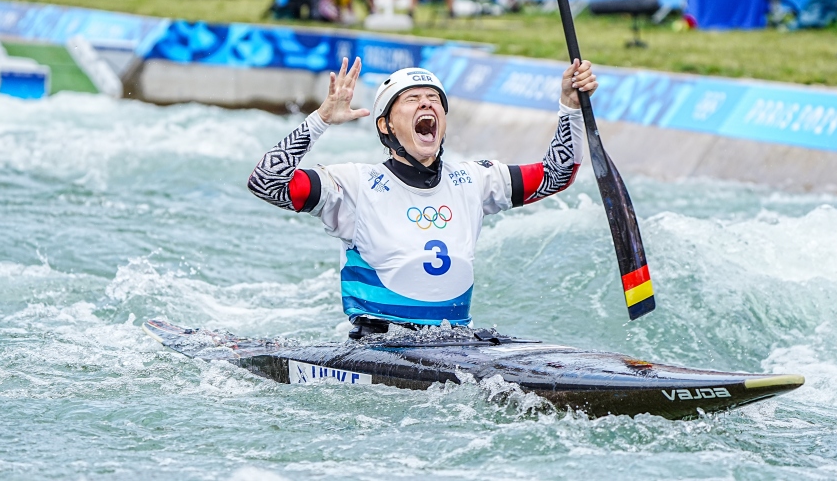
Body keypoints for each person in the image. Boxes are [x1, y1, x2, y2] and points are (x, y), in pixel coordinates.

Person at [248, 57, 597, 338]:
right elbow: (266, 181)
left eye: (434, 100)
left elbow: (556, 175)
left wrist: (570, 107)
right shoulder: (354, 185)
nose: (426, 103)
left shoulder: (473, 180)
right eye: (412, 99)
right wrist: (321, 119)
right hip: (378, 345)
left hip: (456, 340)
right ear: (386, 126)